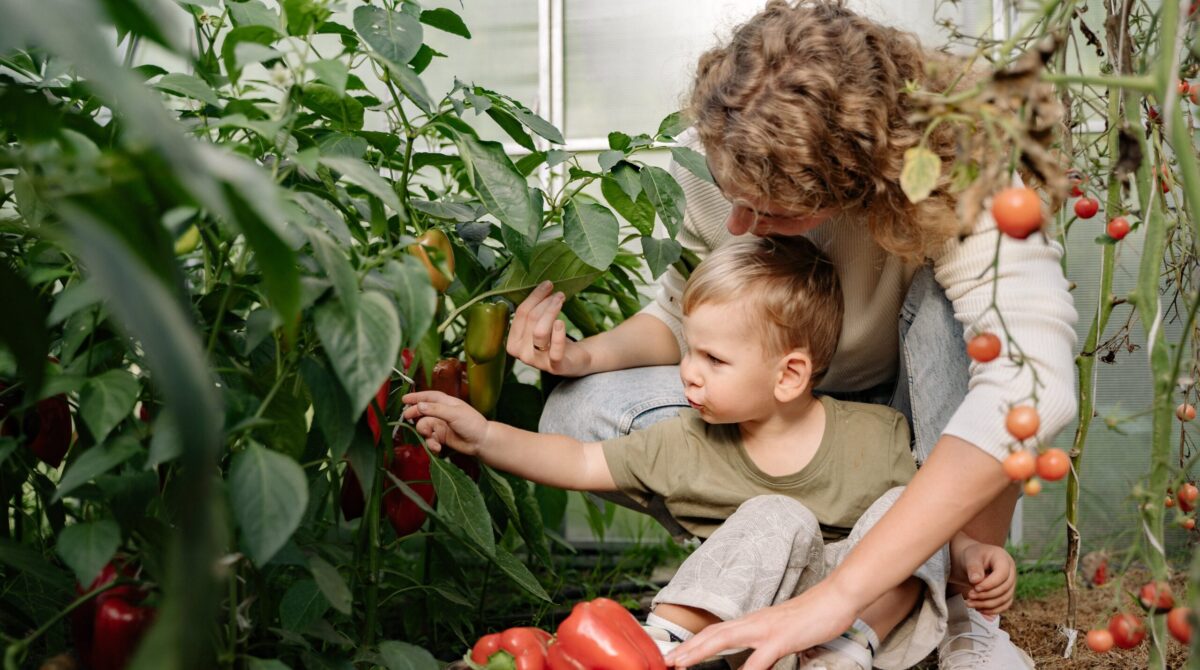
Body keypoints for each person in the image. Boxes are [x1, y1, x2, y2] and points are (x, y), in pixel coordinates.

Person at [507, 2, 1077, 669]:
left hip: (912, 431)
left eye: (776, 211)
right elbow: (684, 316)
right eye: (731, 194)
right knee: (581, 410)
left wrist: (843, 596)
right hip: (783, 419)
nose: (741, 225)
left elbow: (1029, 383)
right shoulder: (714, 149)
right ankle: (787, 567)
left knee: (972, 325)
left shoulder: (965, 166)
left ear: (863, 180)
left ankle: (951, 600)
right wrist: (584, 354)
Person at [404, 237, 1017, 670]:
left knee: (901, 507)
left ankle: (842, 657)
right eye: (689, 351)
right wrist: (483, 436)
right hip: (759, 606)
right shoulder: (685, 442)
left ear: (789, 374)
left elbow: (929, 520)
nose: (687, 376)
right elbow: (578, 461)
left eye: (713, 360)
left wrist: (971, 549)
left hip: (859, 613)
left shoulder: (873, 434)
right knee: (776, 515)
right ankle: (664, 645)